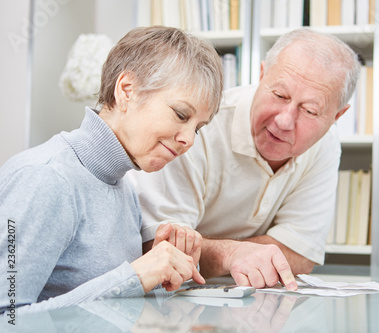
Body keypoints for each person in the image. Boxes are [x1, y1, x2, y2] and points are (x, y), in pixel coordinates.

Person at [0, 26, 224, 314]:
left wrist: (162, 275)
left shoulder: (123, 185)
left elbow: (109, 306)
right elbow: (8, 319)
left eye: (198, 128)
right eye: (181, 114)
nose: (189, 140)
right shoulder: (46, 179)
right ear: (126, 91)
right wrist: (134, 277)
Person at [128, 28, 360, 290]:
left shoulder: (326, 143)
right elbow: (161, 249)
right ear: (261, 76)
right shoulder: (196, 127)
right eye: (279, 95)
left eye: (309, 111)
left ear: (337, 117)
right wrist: (230, 255)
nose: (284, 121)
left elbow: (301, 254)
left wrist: (216, 250)